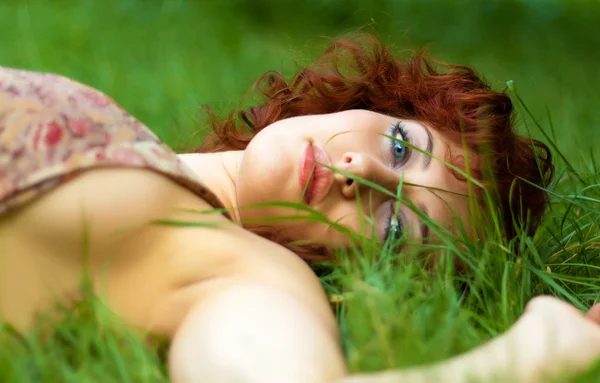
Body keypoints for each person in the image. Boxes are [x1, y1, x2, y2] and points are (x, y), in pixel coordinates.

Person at [0, 35, 598, 383]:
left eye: (394, 229)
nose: (362, 174)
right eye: (399, 147)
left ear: (366, 279)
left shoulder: (248, 275)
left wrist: (531, 353)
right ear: (371, 103)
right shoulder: (154, 162)